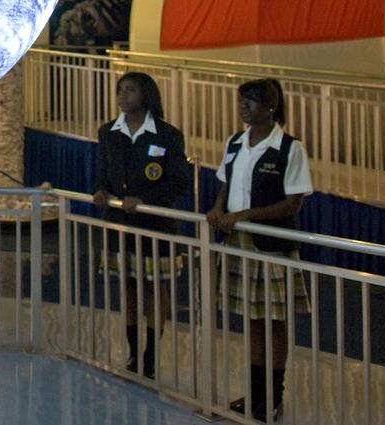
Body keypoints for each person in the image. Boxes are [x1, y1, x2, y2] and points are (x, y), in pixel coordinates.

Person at [206, 78, 312, 423]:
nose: (244, 107)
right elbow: (226, 181)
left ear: (271, 106)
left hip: (272, 247)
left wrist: (246, 216)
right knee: (252, 322)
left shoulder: (289, 149)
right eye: (241, 100)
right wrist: (219, 210)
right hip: (238, 243)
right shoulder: (235, 142)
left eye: (251, 101)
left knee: (274, 323)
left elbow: (292, 203)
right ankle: (255, 396)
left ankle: (273, 397)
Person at [92, 71, 188, 381]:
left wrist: (144, 199)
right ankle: (134, 352)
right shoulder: (108, 132)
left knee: (153, 286)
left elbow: (176, 181)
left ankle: (151, 354)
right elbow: (104, 169)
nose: (122, 96)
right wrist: (102, 190)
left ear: (145, 95)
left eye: (129, 91)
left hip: (155, 224)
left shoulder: (167, 135)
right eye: (120, 90)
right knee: (129, 284)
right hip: (120, 223)